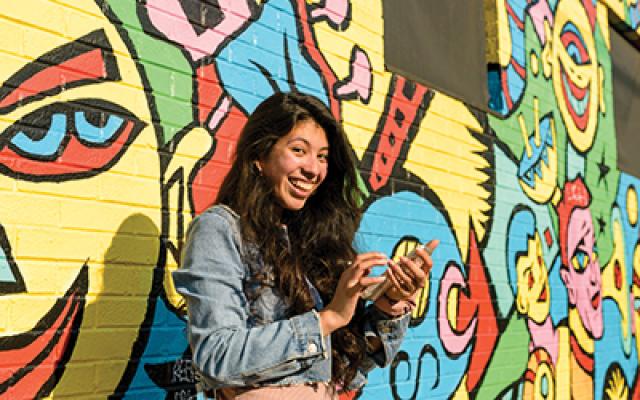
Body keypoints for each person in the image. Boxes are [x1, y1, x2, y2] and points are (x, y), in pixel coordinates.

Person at [173, 92, 437, 399]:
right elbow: (217, 357)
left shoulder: (311, 240)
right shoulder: (220, 230)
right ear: (259, 156)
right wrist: (327, 319)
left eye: (323, 157)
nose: (314, 170)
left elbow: (348, 367)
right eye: (299, 150)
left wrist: (392, 302)